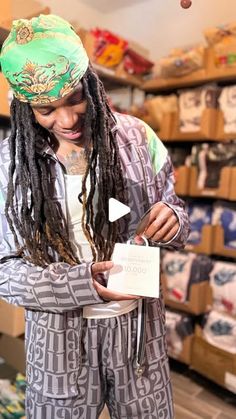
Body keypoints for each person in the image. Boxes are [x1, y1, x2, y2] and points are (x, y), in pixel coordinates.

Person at [0, 14, 189, 419]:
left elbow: (176, 211)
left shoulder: (138, 138)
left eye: (74, 100)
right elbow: (5, 272)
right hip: (58, 349)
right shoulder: (8, 165)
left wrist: (172, 218)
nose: (66, 121)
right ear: (23, 106)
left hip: (139, 341)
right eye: (46, 109)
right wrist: (79, 283)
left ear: (92, 84)